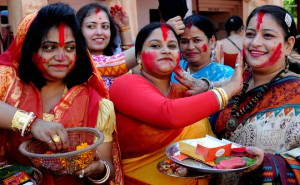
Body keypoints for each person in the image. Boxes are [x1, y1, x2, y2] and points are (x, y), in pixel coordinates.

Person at [108, 22, 254, 185]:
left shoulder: (186, 92)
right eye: (155, 46)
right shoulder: (125, 84)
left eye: (171, 46)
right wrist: (229, 89)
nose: (165, 50)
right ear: (139, 56)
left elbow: (207, 142)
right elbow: (168, 114)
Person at [0, 3, 117, 185]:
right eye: (49, 47)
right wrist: (31, 123)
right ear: (31, 49)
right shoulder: (8, 85)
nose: (62, 57)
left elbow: (108, 167)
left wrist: (99, 170)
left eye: (70, 48)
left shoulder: (96, 103)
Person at [211, 5, 300, 184]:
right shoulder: (234, 84)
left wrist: (267, 164)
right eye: (250, 34)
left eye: (267, 35)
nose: (255, 43)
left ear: (288, 45)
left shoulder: (297, 93)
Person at [76, 3, 137, 89]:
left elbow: (136, 71)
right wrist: (148, 45)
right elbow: (116, 64)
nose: (99, 32)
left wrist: (124, 28)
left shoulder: (116, 61)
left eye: (105, 26)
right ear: (79, 30)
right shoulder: (79, 62)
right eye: (91, 26)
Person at [171, 15, 234, 84]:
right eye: (184, 41)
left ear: (212, 41)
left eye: (197, 40)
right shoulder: (172, 69)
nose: (190, 47)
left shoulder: (227, 75)